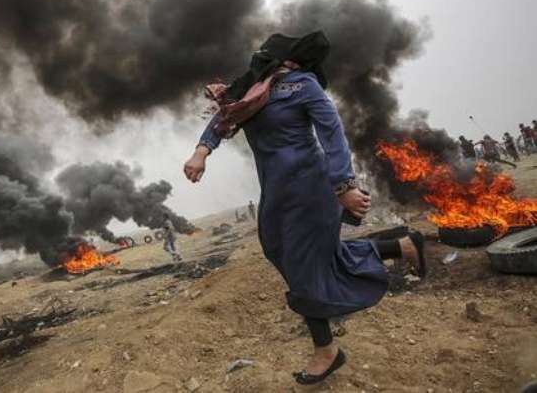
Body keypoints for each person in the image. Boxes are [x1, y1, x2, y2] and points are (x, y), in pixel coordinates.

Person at [183, 31, 426, 385]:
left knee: (302, 265)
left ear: (288, 59)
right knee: (282, 250)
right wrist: (201, 152)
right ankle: (401, 247)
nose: (260, 56)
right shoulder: (252, 90)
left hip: (311, 189)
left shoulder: (303, 86)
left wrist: (344, 187)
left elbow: (333, 136)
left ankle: (325, 350)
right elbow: (222, 120)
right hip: (277, 192)